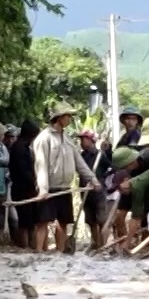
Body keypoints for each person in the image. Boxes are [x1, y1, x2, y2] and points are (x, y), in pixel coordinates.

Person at [33, 104, 99, 254]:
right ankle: (38, 250)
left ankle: (60, 250)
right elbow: (41, 165)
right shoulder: (44, 138)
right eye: (68, 116)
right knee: (43, 221)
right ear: (60, 118)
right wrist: (43, 189)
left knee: (63, 221)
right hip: (49, 187)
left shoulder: (67, 139)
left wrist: (92, 179)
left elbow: (79, 162)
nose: (70, 119)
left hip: (64, 187)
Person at [107, 146, 149, 249]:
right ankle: (124, 245)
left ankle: (145, 245)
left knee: (147, 215)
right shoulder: (128, 173)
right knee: (120, 215)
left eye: (124, 167)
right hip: (132, 185)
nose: (124, 170)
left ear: (131, 162)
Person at [7, 119, 40, 249]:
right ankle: (25, 246)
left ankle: (31, 246)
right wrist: (34, 181)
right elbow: (22, 170)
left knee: (31, 220)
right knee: (25, 221)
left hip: (28, 188)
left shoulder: (24, 147)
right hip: (22, 189)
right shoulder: (19, 148)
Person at [78, 129, 113, 250]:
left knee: (102, 219)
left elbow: (111, 165)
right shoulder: (81, 156)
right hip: (85, 191)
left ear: (91, 140)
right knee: (90, 219)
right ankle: (95, 243)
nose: (82, 141)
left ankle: (103, 244)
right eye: (81, 139)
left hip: (98, 192)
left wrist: (108, 150)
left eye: (84, 139)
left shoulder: (100, 155)